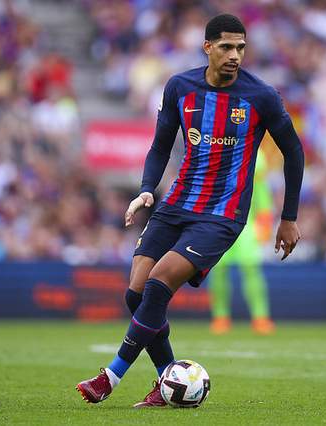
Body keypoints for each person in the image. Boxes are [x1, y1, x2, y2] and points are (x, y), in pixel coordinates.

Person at [76, 13, 304, 408]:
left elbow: (294, 151)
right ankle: (168, 380)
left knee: (158, 282)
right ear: (208, 47)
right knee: (136, 293)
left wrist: (289, 217)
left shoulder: (261, 96)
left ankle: (109, 377)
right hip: (178, 202)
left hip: (222, 214)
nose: (235, 55)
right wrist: (146, 190)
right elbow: (160, 145)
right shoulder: (180, 87)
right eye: (227, 47)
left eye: (241, 48)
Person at [208, 155, 276, 335]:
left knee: (251, 268)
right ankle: (220, 317)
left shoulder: (256, 154)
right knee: (218, 270)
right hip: (219, 220)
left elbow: (261, 191)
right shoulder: (217, 148)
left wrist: (265, 221)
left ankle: (260, 317)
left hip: (247, 224)